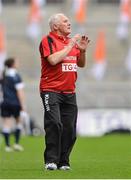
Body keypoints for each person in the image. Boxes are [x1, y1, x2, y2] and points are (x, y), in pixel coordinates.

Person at [39, 13, 90, 170]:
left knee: (69, 128)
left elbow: (80, 64)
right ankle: (51, 161)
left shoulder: (71, 43)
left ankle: (63, 162)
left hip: (69, 92)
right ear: (55, 26)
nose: (69, 23)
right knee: (54, 123)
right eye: (65, 21)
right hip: (51, 89)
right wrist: (70, 46)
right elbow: (53, 60)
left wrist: (82, 51)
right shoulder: (48, 40)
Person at [0, 57, 26, 152]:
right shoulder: (16, 75)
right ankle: (16, 143)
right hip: (15, 102)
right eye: (16, 62)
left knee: (6, 124)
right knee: (18, 122)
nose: (18, 63)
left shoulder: (4, 75)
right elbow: (20, 92)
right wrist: (23, 105)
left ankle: (7, 146)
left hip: (5, 102)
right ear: (12, 64)